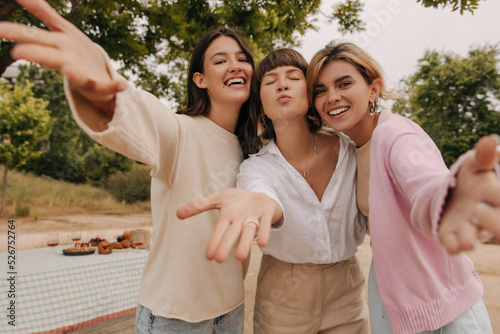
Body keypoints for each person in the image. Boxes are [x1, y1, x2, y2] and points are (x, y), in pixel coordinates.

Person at [0, 0, 256, 332]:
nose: (235, 66)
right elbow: (142, 114)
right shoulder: (181, 132)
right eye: (220, 60)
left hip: (232, 309)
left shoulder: (251, 148)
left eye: (242, 59)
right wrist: (106, 91)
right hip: (175, 317)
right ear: (200, 80)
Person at [308, 41, 499, 333]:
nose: (331, 97)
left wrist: (454, 197)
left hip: (444, 303)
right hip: (393, 295)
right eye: (320, 90)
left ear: (373, 89)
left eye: (343, 83)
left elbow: (426, 186)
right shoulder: (347, 148)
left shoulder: (395, 136)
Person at [182, 48, 370, 333]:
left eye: (293, 77)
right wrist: (259, 205)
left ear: (310, 94)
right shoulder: (256, 168)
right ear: (260, 102)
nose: (282, 84)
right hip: (283, 296)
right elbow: (261, 197)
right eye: (270, 81)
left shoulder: (350, 150)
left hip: (347, 289)